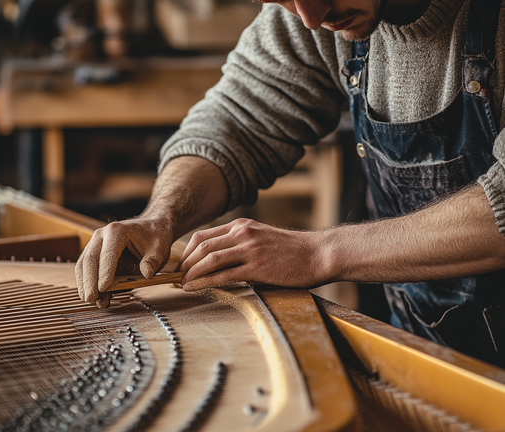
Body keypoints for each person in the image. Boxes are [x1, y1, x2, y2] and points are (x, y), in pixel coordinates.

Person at [76, 0, 505, 366]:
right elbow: (237, 119)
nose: (312, 18)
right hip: (428, 357)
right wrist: (160, 218)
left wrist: (320, 252)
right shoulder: (320, 10)